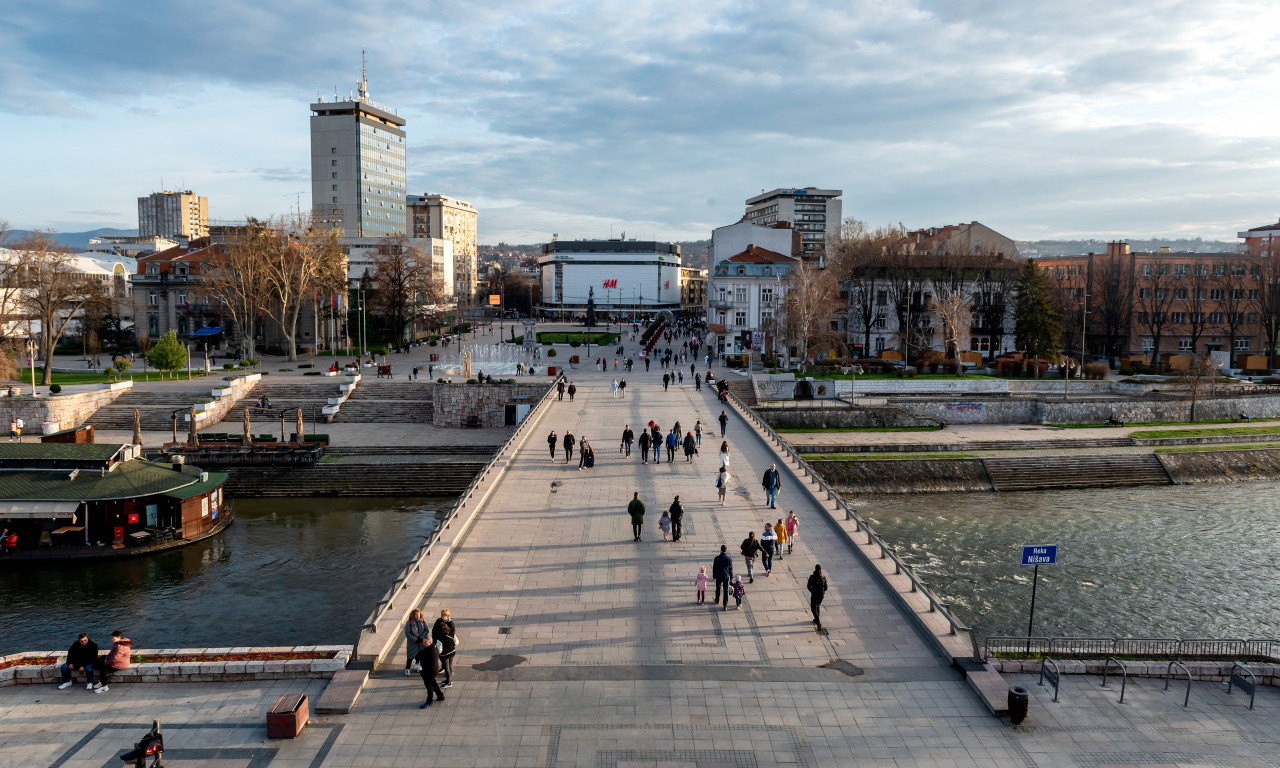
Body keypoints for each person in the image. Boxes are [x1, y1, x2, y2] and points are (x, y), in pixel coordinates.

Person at [415, 639, 444, 708]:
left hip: (428, 672)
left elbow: (419, 656)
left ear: (430, 642)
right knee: (433, 683)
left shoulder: (429, 651)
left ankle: (429, 700)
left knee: (429, 686)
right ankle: (440, 696)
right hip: (433, 671)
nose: (423, 644)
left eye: (425, 642)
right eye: (423, 642)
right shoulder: (434, 647)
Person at [433, 609, 457, 688]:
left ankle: (449, 682)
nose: (442, 616)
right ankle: (448, 679)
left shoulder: (441, 637)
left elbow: (439, 649)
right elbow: (456, 641)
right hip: (452, 651)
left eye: (444, 615)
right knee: (449, 666)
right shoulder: (449, 633)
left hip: (445, 653)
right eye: (442, 615)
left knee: (446, 667)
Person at [404, 609, 430, 676]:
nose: (418, 616)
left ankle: (417, 667)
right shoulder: (409, 622)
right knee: (410, 657)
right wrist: (416, 639)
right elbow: (407, 633)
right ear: (413, 615)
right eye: (416, 614)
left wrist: (421, 638)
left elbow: (426, 630)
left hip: (420, 643)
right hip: (412, 643)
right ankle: (407, 669)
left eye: (418, 614)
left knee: (419, 656)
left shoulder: (422, 621)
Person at [712, 545, 734, 610]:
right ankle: (725, 605)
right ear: (726, 550)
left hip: (719, 575)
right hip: (726, 576)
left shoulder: (717, 558)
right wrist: (731, 577)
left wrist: (714, 575)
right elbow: (730, 569)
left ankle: (717, 599)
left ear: (721, 550)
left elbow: (714, 568)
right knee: (725, 590)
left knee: (718, 587)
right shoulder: (728, 559)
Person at [807, 564, 828, 630]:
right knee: (817, 606)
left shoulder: (812, 577)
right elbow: (826, 588)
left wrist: (812, 591)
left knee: (813, 608)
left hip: (814, 594)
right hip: (821, 595)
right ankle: (816, 619)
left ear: (815, 569)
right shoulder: (823, 577)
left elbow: (808, 586)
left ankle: (818, 622)